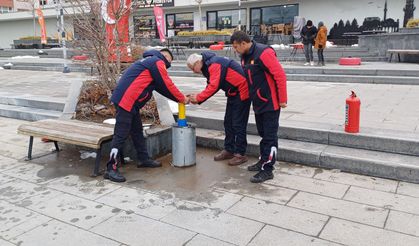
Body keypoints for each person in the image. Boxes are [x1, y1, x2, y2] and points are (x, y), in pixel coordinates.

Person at [106, 48, 189, 182]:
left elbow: (162, 88)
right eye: (169, 61)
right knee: (120, 134)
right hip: (126, 101)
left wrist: (179, 98)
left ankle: (143, 159)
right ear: (165, 56)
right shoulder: (156, 61)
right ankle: (111, 168)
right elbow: (167, 84)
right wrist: (182, 98)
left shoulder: (149, 62)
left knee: (137, 131)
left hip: (129, 102)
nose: (169, 65)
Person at [230, 31, 287, 183]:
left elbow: (280, 75)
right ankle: (263, 160)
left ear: (243, 43)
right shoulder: (244, 57)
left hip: (271, 102)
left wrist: (282, 99)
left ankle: (268, 169)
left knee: (269, 136)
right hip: (258, 102)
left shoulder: (264, 53)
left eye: (236, 47)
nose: (235, 50)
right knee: (263, 134)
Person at [186, 52, 251, 166]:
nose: (193, 71)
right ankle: (229, 150)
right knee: (228, 122)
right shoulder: (209, 65)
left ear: (197, 62)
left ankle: (240, 154)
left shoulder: (214, 64)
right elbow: (211, 84)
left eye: (192, 68)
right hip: (233, 93)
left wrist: (199, 97)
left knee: (238, 123)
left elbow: (213, 86)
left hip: (242, 92)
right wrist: (198, 98)